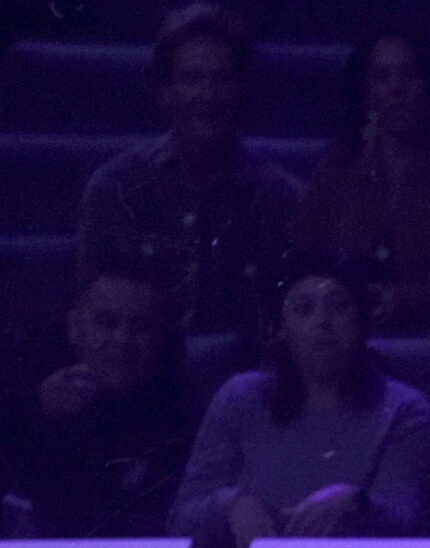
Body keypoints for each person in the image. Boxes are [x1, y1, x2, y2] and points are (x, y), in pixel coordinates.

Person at [169, 255, 430, 548]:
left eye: (338, 306)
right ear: (282, 329)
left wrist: (358, 504)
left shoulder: (404, 410)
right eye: (303, 309)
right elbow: (182, 518)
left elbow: (414, 519)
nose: (322, 321)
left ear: (361, 321)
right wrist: (232, 505)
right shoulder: (239, 399)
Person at [77, 4, 304, 341]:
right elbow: (93, 320)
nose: (207, 96)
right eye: (192, 79)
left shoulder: (283, 198)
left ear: (242, 90)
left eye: (222, 79)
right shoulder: (117, 189)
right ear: (166, 91)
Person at [0, 263, 192, 538]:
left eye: (141, 327)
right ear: (74, 328)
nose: (123, 339)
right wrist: (33, 410)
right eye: (107, 322)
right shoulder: (17, 383)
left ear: (160, 338)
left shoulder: (185, 416)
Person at [295, 25, 430, 333]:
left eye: (409, 74)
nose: (396, 88)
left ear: (427, 85)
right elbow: (304, 268)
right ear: (365, 92)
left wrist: (406, 301)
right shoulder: (334, 175)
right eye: (382, 77)